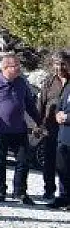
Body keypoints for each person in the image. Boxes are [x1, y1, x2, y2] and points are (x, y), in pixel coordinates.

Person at [0, 53, 42, 203]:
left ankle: (20, 192)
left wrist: (39, 122)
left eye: (19, 65)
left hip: (19, 129)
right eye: (16, 66)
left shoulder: (21, 83)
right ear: (5, 68)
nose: (19, 69)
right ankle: (0, 190)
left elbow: (29, 104)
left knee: (23, 161)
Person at [37, 52, 70, 201]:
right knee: (49, 160)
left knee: (65, 163)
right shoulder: (49, 82)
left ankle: (65, 195)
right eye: (56, 64)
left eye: (62, 63)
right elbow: (40, 105)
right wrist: (38, 125)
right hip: (50, 128)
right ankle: (49, 189)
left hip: (67, 130)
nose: (59, 67)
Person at [51, 80, 70, 210]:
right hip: (63, 133)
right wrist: (57, 114)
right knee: (62, 167)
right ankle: (63, 197)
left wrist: (68, 117)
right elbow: (60, 103)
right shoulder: (68, 85)